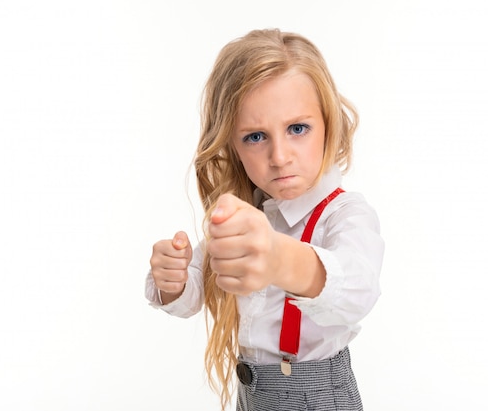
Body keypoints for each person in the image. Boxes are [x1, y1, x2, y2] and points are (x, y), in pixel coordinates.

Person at [145, 28, 384, 411]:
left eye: (297, 129)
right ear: (232, 146)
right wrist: (173, 280)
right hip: (252, 395)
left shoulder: (344, 214)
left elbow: (357, 289)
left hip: (315, 397)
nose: (279, 156)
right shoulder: (250, 212)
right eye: (255, 137)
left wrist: (279, 258)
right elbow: (198, 289)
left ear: (328, 124)